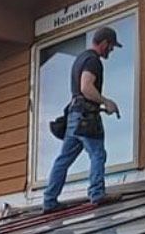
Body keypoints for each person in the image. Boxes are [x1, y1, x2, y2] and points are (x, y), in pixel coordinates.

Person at [42, 25, 122, 211]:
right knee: (97, 153)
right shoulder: (93, 60)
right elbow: (86, 87)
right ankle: (97, 194)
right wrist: (105, 101)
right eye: (111, 46)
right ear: (103, 43)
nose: (111, 50)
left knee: (64, 159)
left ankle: (50, 200)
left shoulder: (80, 58)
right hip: (86, 116)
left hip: (74, 115)